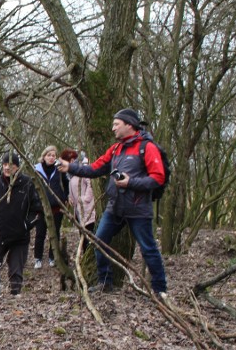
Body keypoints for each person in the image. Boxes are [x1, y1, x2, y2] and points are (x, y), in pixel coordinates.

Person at [57, 108, 167, 296]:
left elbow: (158, 178)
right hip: (114, 207)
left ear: (129, 125)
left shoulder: (147, 147)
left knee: (148, 249)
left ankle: (160, 290)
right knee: (99, 242)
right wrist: (71, 167)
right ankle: (105, 282)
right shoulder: (116, 149)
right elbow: (94, 168)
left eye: (116, 124)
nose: (113, 128)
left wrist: (130, 182)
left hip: (138, 208)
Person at [0, 152, 41, 297]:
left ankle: (15, 295)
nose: (7, 168)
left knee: (16, 269)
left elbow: (37, 210)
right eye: (5, 164)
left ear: (17, 167)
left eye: (10, 165)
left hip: (19, 236)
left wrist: (26, 226)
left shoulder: (27, 183)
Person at [32, 145, 69, 269]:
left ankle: (52, 258)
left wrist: (65, 197)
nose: (51, 158)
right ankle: (38, 258)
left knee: (55, 233)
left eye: (53, 155)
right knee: (40, 234)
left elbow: (66, 183)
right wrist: (35, 203)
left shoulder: (59, 169)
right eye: (49, 155)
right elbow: (32, 188)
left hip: (57, 206)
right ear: (44, 157)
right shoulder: (36, 170)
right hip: (41, 207)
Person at [63, 149, 97, 252]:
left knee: (89, 231)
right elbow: (72, 188)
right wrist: (70, 197)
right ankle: (84, 253)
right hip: (77, 209)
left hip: (87, 207)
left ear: (72, 160)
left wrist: (85, 199)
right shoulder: (70, 175)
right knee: (81, 232)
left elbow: (90, 183)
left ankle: (90, 253)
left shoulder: (82, 169)